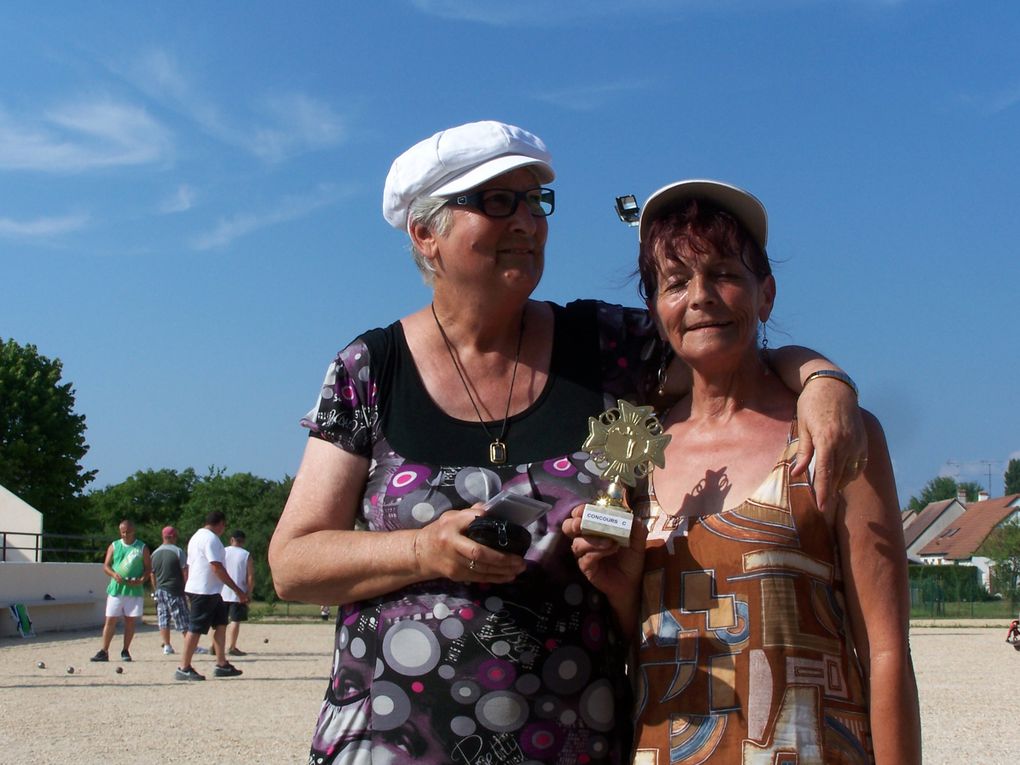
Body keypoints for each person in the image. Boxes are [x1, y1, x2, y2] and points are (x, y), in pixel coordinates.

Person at [268, 121, 866, 764]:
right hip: (391, 743)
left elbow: (722, 338)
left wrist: (822, 380)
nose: (527, 221)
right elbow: (294, 563)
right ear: (425, 232)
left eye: (535, 201)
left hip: (570, 743)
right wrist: (424, 548)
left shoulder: (606, 348)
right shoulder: (373, 369)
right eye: (499, 201)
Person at [567, 179, 921, 763]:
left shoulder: (832, 436)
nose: (701, 297)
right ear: (656, 311)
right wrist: (621, 584)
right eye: (675, 283)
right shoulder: (633, 448)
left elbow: (885, 653)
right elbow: (641, 645)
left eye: (726, 274)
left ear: (767, 295)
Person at [175, 511, 250, 681]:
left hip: (211, 590)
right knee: (195, 629)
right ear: (221, 523)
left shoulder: (196, 537)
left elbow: (189, 565)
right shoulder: (211, 539)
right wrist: (237, 590)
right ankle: (183, 667)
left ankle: (221, 663)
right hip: (204, 590)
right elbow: (216, 566)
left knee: (221, 624)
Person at [91, 519, 151, 662]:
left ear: (133, 531)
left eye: (127, 532)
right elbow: (106, 566)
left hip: (134, 589)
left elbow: (148, 568)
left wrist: (141, 580)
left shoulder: (142, 547)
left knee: (130, 621)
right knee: (110, 619)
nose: (125, 535)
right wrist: (114, 574)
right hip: (116, 588)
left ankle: (125, 650)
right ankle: (104, 650)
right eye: (122, 532)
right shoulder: (114, 545)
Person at [149, 525, 190, 655]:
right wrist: (187, 589)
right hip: (175, 589)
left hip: (160, 590)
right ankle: (190, 644)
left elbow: (152, 573)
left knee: (163, 618)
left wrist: (156, 588)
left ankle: (167, 645)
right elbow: (185, 571)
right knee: (183, 618)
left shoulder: (154, 553)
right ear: (173, 537)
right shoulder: (178, 551)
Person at [222, 529, 255, 656]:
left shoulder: (223, 551)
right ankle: (232, 646)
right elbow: (250, 576)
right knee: (235, 620)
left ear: (231, 540)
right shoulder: (246, 554)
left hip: (222, 591)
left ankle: (214, 645)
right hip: (238, 592)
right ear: (243, 541)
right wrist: (249, 592)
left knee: (219, 621)